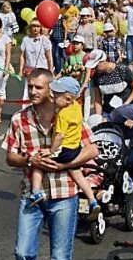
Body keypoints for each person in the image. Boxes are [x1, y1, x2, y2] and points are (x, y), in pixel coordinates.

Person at [3, 69, 99, 260]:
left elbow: (92, 149)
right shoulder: (20, 119)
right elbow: (10, 157)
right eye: (30, 87)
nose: (33, 92)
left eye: (39, 88)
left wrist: (63, 163)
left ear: (52, 91)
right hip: (32, 195)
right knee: (22, 252)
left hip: (64, 194)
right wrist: (29, 160)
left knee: (60, 258)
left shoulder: (68, 112)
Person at [26, 77, 99, 221]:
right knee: (76, 173)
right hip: (75, 147)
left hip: (64, 149)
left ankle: (35, 192)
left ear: (67, 99)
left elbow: (59, 136)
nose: (52, 96)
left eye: (56, 94)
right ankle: (92, 200)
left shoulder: (62, 115)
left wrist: (51, 151)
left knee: (38, 162)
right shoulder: (76, 107)